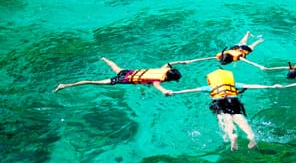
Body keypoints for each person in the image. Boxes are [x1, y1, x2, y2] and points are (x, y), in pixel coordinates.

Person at [171, 68, 281, 151]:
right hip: (233, 101)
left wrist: (174, 92)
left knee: (226, 121)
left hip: (219, 103)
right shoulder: (233, 84)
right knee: (240, 119)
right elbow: (253, 85)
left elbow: (193, 89)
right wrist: (271, 86)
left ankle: (232, 136)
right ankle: (250, 137)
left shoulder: (211, 87)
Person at [52, 57, 204, 95]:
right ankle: (65, 85)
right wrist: (165, 91)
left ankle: (103, 58)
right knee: (93, 82)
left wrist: (183, 62)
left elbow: (169, 62)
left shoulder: (163, 70)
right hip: (124, 79)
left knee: (115, 67)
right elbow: (158, 86)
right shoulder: (159, 79)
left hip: (129, 73)